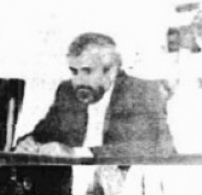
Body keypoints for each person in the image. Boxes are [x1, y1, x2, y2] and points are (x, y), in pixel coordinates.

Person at [15, 33, 174, 157]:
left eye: (87, 71)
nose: (79, 80)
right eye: (74, 71)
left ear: (111, 71)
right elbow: (44, 133)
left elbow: (147, 147)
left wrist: (76, 153)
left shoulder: (140, 91)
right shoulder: (67, 92)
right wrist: (29, 143)